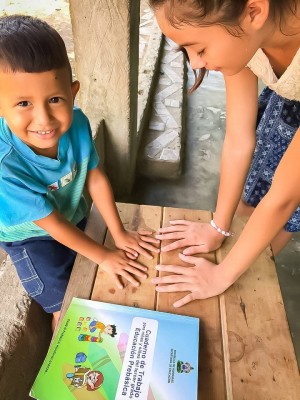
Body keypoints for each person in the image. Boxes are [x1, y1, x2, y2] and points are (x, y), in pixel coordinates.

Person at [0, 15, 159, 329]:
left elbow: (94, 176)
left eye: (55, 99)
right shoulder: (5, 163)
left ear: (73, 93)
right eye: (23, 103)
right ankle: (58, 363)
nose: (44, 119)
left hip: (72, 213)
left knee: (98, 275)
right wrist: (104, 255)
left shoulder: (78, 123)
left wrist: (118, 233)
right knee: (65, 302)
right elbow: (52, 224)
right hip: (32, 238)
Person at [149, 0, 300, 307]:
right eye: (186, 51)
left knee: (282, 221)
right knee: (254, 192)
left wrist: (221, 276)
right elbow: (238, 140)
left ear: (255, 11)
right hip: (288, 100)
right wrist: (219, 226)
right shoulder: (242, 35)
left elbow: (285, 197)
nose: (195, 64)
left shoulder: (239, 29)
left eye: (200, 49)